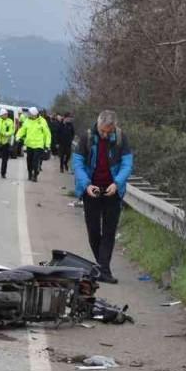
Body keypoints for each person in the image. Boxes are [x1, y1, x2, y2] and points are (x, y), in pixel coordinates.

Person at [73, 110, 134, 282]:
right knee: (93, 230)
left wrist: (117, 183)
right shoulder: (87, 137)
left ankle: (103, 270)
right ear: (98, 125)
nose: (105, 134)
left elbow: (127, 164)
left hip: (112, 190)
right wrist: (86, 185)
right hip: (91, 188)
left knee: (109, 231)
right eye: (103, 131)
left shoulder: (122, 139)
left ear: (114, 127)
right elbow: (77, 163)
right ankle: (102, 267)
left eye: (109, 132)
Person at [16, 106, 52, 182]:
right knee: (29, 160)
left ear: (35, 114)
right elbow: (22, 130)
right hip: (29, 144)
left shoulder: (42, 121)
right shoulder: (27, 121)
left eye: (30, 114)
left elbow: (47, 134)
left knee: (35, 161)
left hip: (39, 145)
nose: (29, 115)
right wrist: (18, 136)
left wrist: (47, 145)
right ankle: (30, 173)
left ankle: (35, 175)